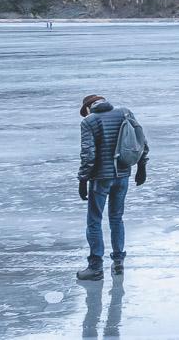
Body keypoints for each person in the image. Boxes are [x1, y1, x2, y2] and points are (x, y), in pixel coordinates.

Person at [76, 94, 149, 281]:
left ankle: (96, 268)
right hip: (123, 175)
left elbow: (88, 153)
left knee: (94, 221)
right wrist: (142, 166)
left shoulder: (89, 122)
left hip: (100, 178)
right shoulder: (124, 113)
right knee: (117, 218)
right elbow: (141, 140)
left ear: (89, 107)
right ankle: (118, 264)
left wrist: (83, 180)